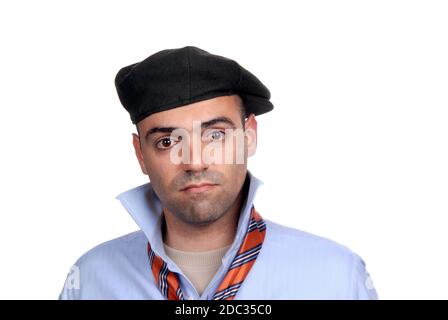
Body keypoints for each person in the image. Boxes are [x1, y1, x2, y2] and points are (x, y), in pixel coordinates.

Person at [59, 46, 378, 300]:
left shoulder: (336, 278)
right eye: (167, 141)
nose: (195, 162)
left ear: (249, 136)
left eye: (214, 135)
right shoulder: (89, 281)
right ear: (140, 154)